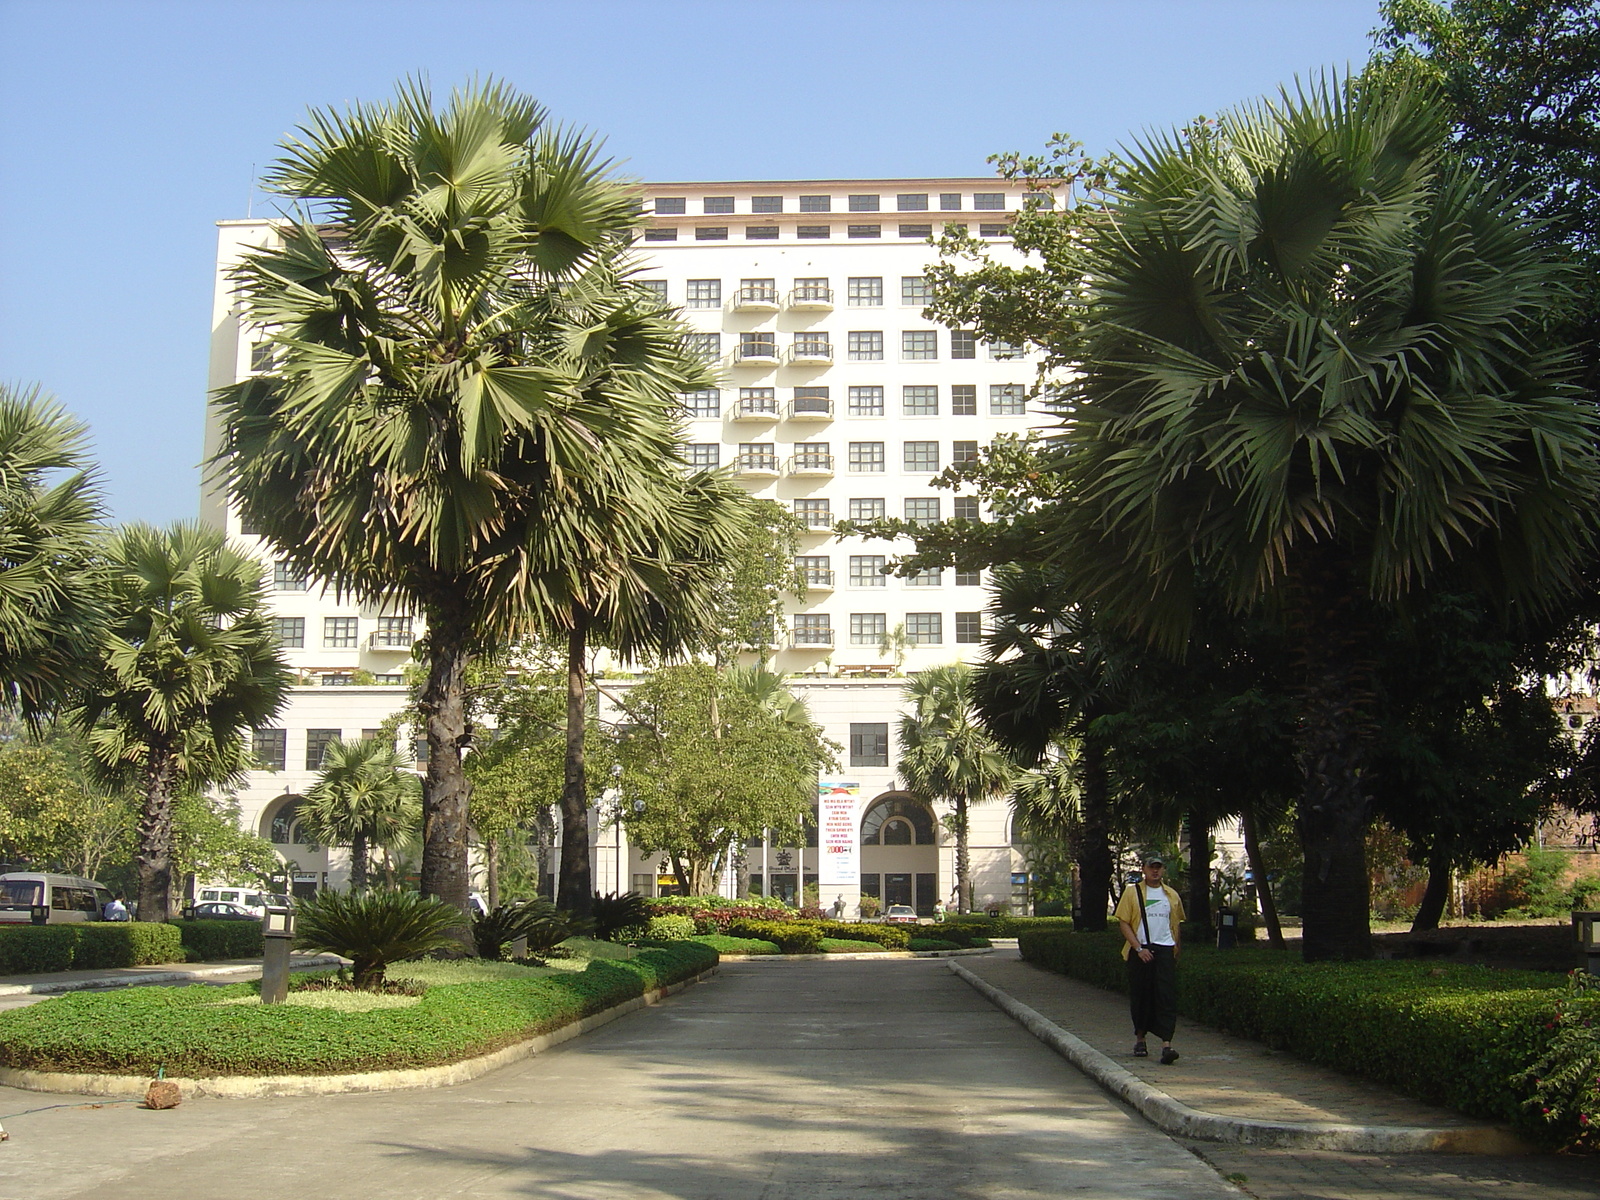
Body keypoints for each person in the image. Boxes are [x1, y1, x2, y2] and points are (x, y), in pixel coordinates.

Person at [1114, 856, 1185, 1064]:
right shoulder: (1132, 892)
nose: (1155, 871)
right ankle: (1140, 1039)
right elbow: (1124, 922)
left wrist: (1175, 948)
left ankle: (1166, 1044)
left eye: (1158, 868)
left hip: (1164, 949)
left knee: (1166, 996)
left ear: (1163, 870)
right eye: (1151, 867)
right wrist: (1138, 948)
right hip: (1141, 950)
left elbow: (1176, 923)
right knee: (1141, 995)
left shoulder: (1171, 895)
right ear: (1143, 869)